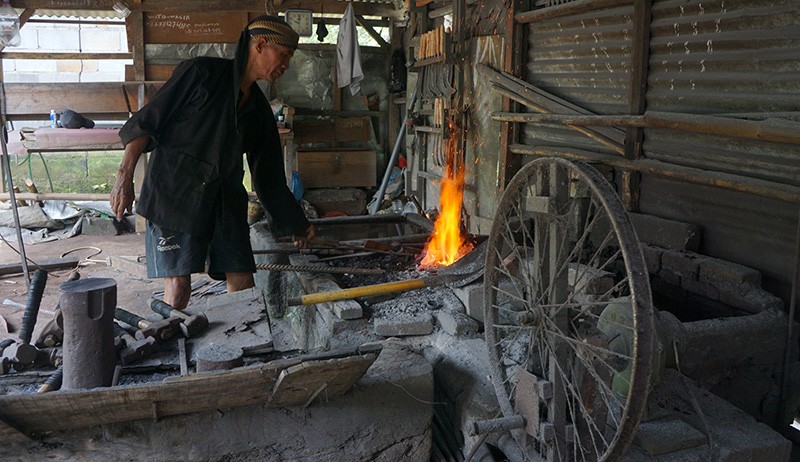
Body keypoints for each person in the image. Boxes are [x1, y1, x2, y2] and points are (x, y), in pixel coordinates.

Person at [110, 15, 314, 310]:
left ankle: (244, 349)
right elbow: (144, 124)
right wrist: (123, 177)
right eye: (283, 55)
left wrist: (295, 223)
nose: (286, 65)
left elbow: (268, 177)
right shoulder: (201, 74)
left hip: (225, 200)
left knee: (243, 285)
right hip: (174, 194)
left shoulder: (258, 111)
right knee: (179, 289)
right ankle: (172, 344)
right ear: (260, 44)